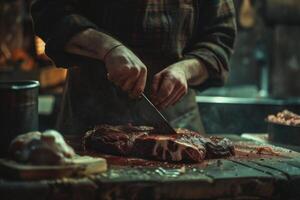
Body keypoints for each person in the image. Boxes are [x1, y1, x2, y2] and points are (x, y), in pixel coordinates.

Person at [31, 0, 237, 135]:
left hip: (175, 122)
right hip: (89, 122)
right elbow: (50, 12)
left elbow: (220, 38)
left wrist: (186, 70)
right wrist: (107, 47)